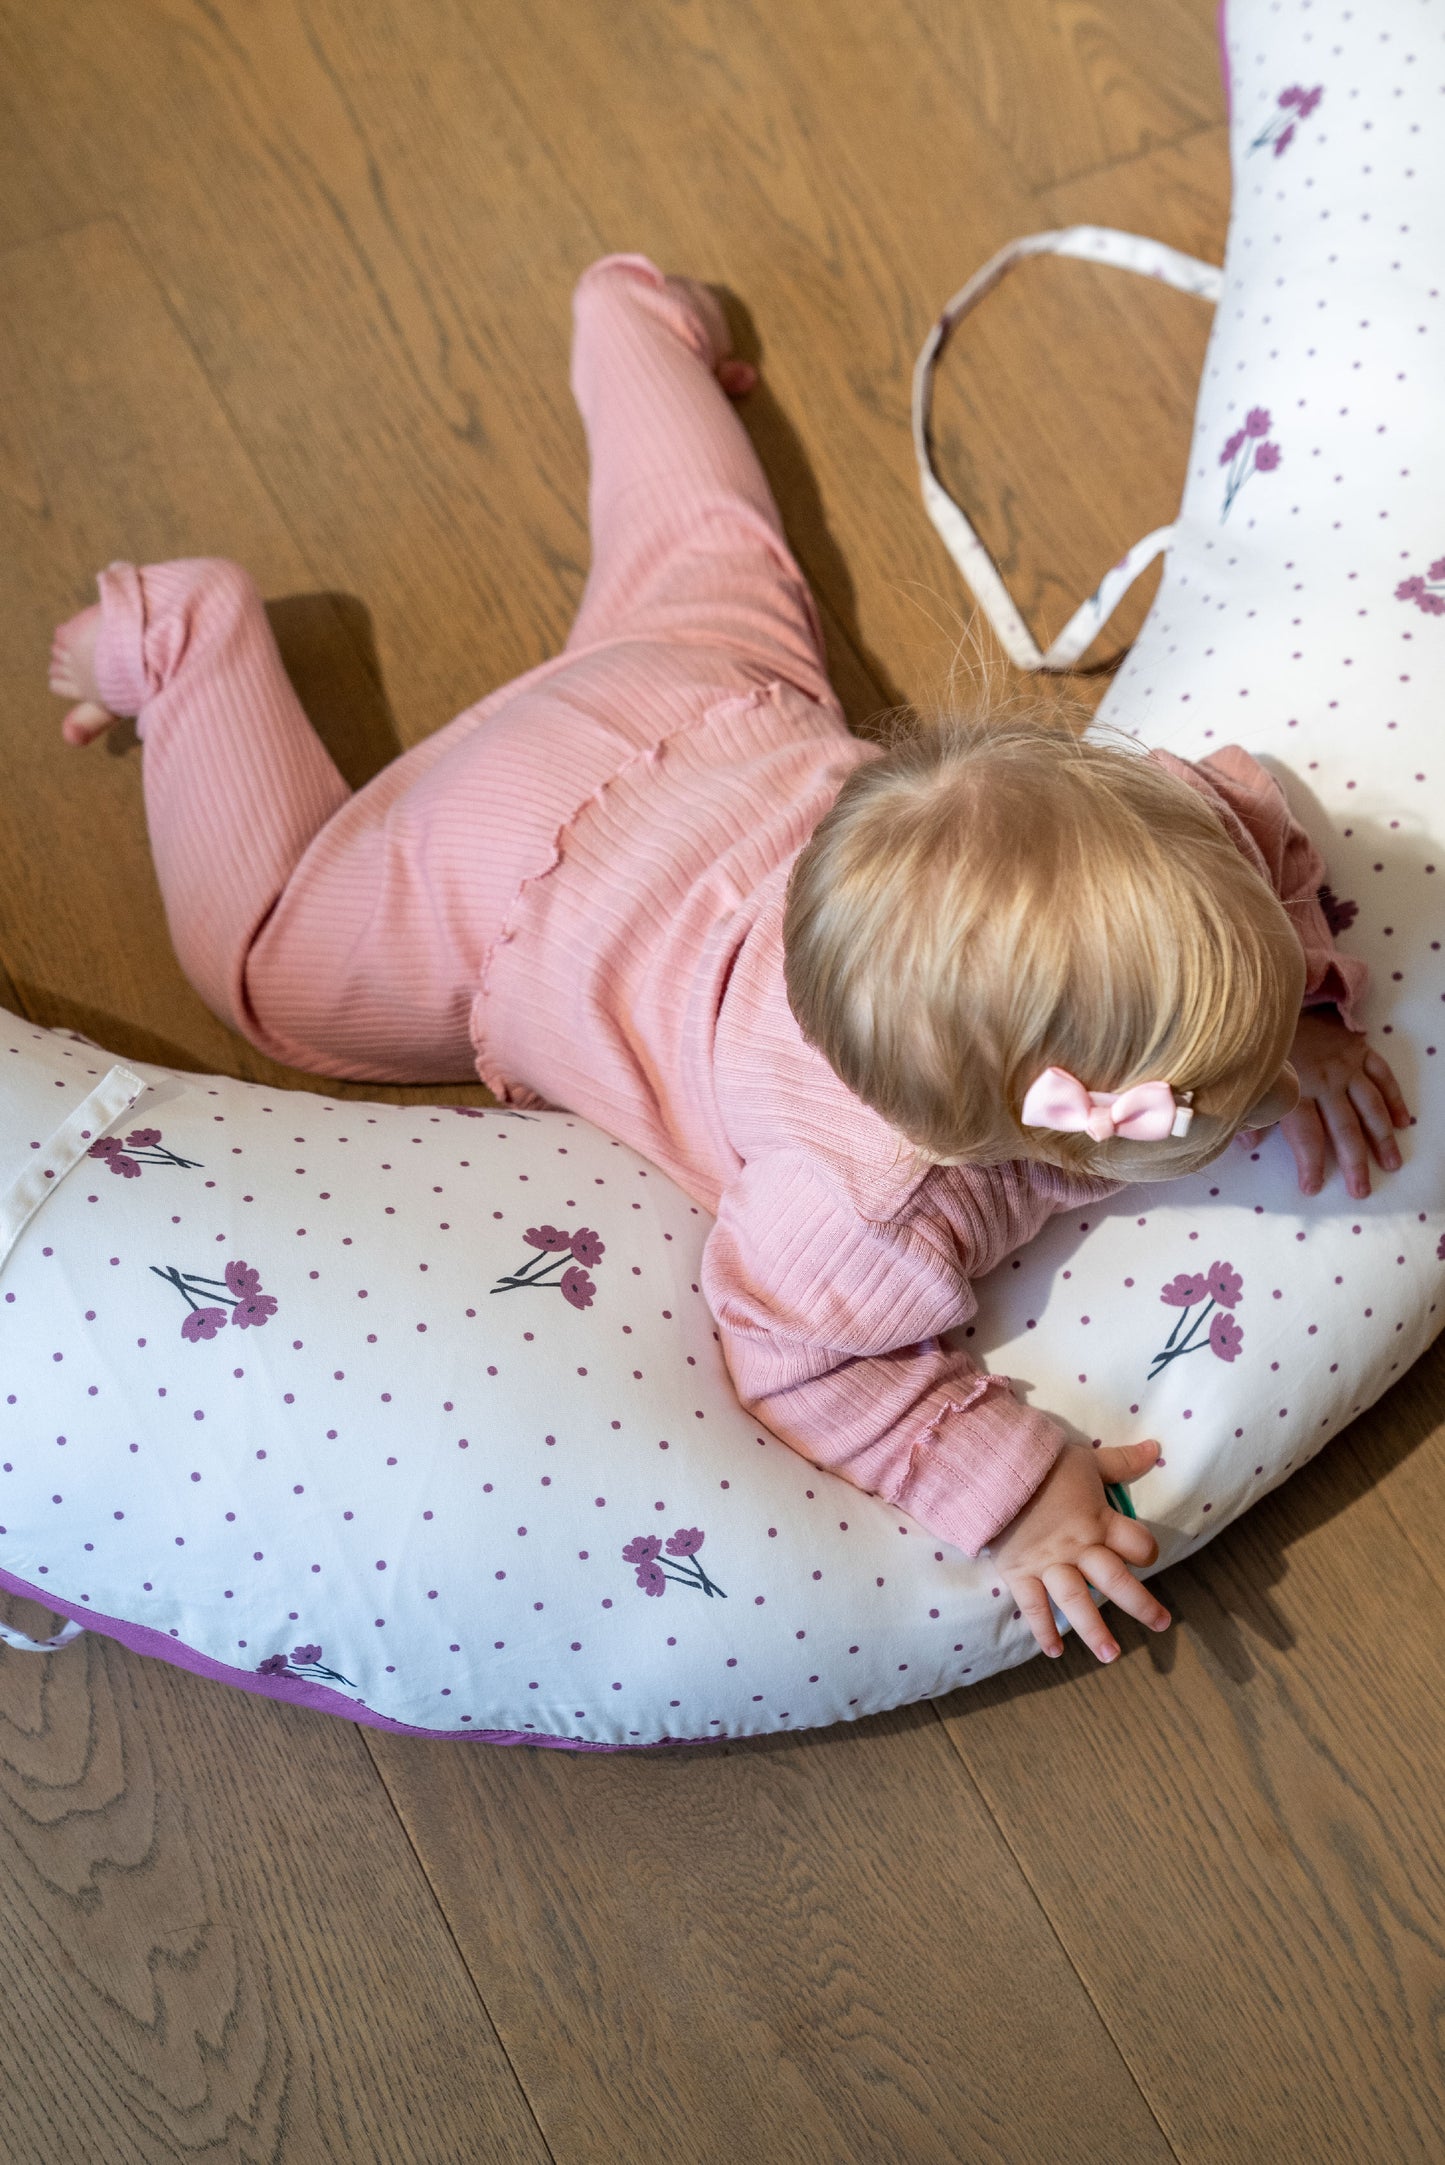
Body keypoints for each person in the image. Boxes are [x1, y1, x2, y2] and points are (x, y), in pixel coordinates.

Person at [47, 254, 1409, 1666]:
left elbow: (1257, 814)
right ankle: (180, 635)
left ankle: (631, 313)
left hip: (691, 708)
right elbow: (800, 1361)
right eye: (1210, 1087)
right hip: (489, 883)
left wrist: (1298, 1005)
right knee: (266, 966)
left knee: (709, 541)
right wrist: (1011, 1495)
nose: (1250, 1090)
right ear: (993, 1128)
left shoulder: (1195, 833)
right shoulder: (861, 1206)